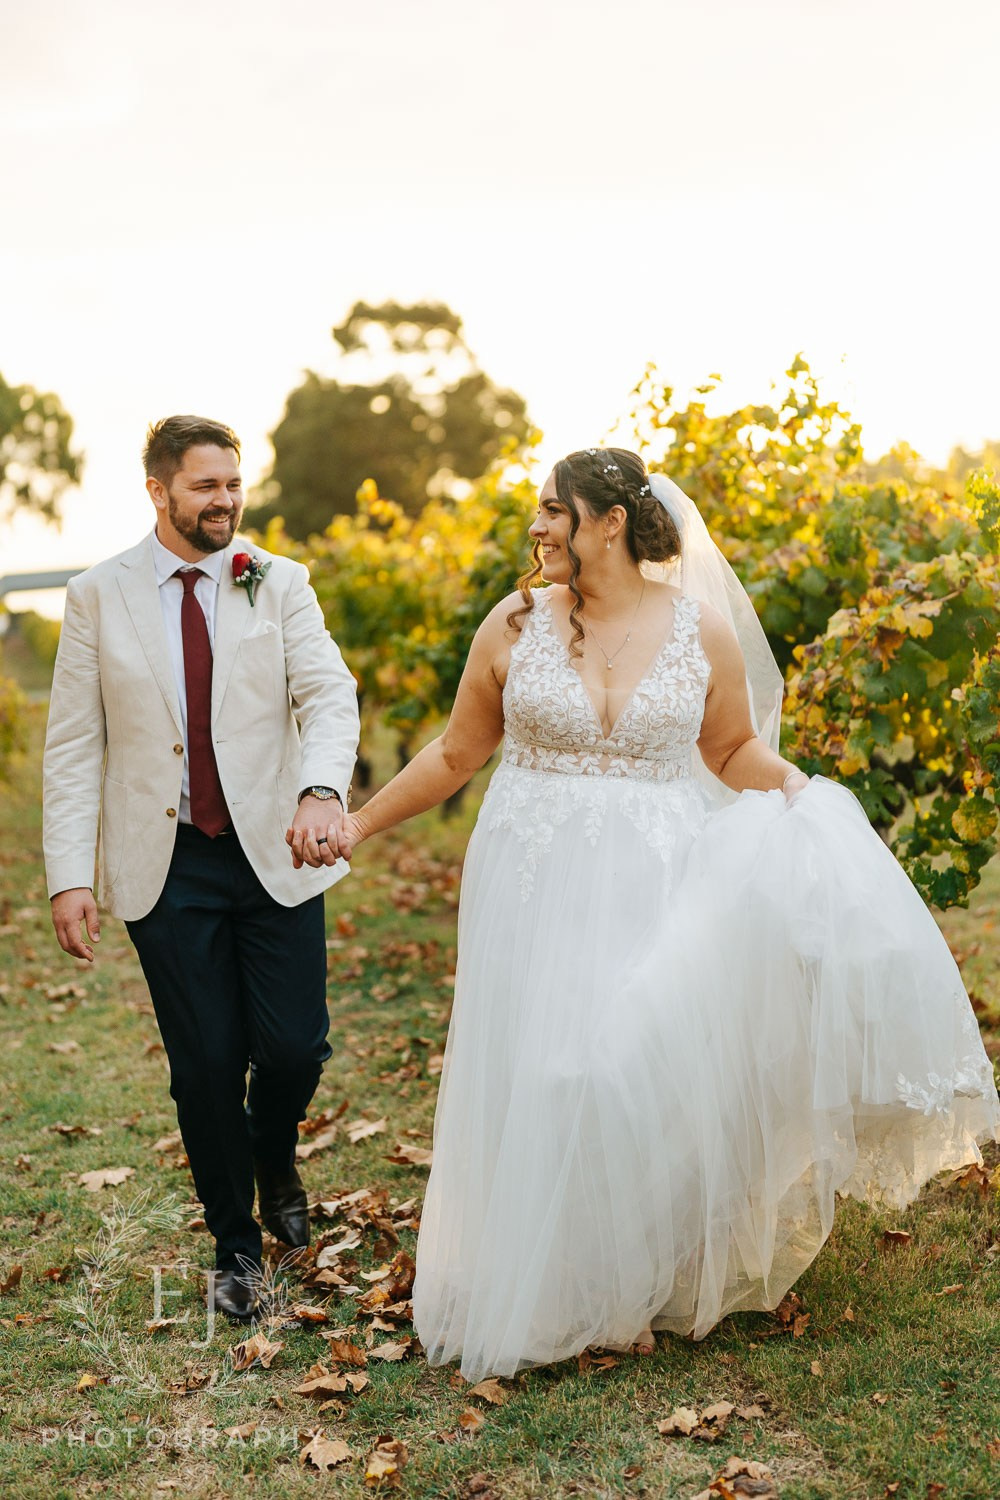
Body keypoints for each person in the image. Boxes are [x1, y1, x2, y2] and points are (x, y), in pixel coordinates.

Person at [307, 447, 1000, 1381]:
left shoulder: (697, 629)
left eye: (554, 509)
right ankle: (555, 1279)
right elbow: (456, 754)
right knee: (548, 1069)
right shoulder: (513, 623)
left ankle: (630, 1271)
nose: (538, 526)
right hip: (535, 877)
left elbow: (732, 749)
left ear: (611, 522)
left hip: (659, 874)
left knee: (629, 1065)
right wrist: (358, 824)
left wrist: (800, 793)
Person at [43, 415, 360, 1321]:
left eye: (233, 483)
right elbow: (74, 744)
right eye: (205, 487)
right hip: (167, 863)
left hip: (276, 852)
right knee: (207, 1062)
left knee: (293, 1049)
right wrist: (69, 874)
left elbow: (328, 695)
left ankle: (274, 1155)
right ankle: (235, 1248)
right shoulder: (97, 595)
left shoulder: (279, 581)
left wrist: (322, 791)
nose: (226, 501)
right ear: (158, 491)